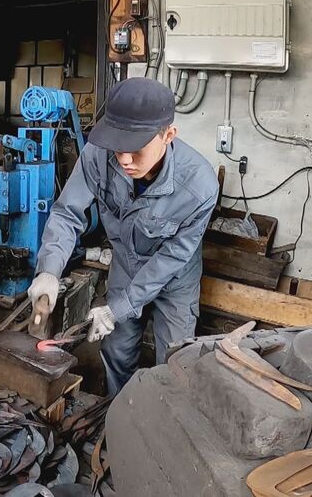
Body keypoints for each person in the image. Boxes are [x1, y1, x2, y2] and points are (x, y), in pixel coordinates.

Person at [28, 77, 219, 396]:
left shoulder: (199, 187)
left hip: (174, 280)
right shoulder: (97, 155)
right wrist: (49, 271)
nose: (124, 159)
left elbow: (171, 258)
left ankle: (159, 430)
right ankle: (120, 414)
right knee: (116, 353)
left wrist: (118, 308)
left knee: (173, 361)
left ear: (168, 135)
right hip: (126, 266)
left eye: (135, 148)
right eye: (118, 145)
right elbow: (67, 213)